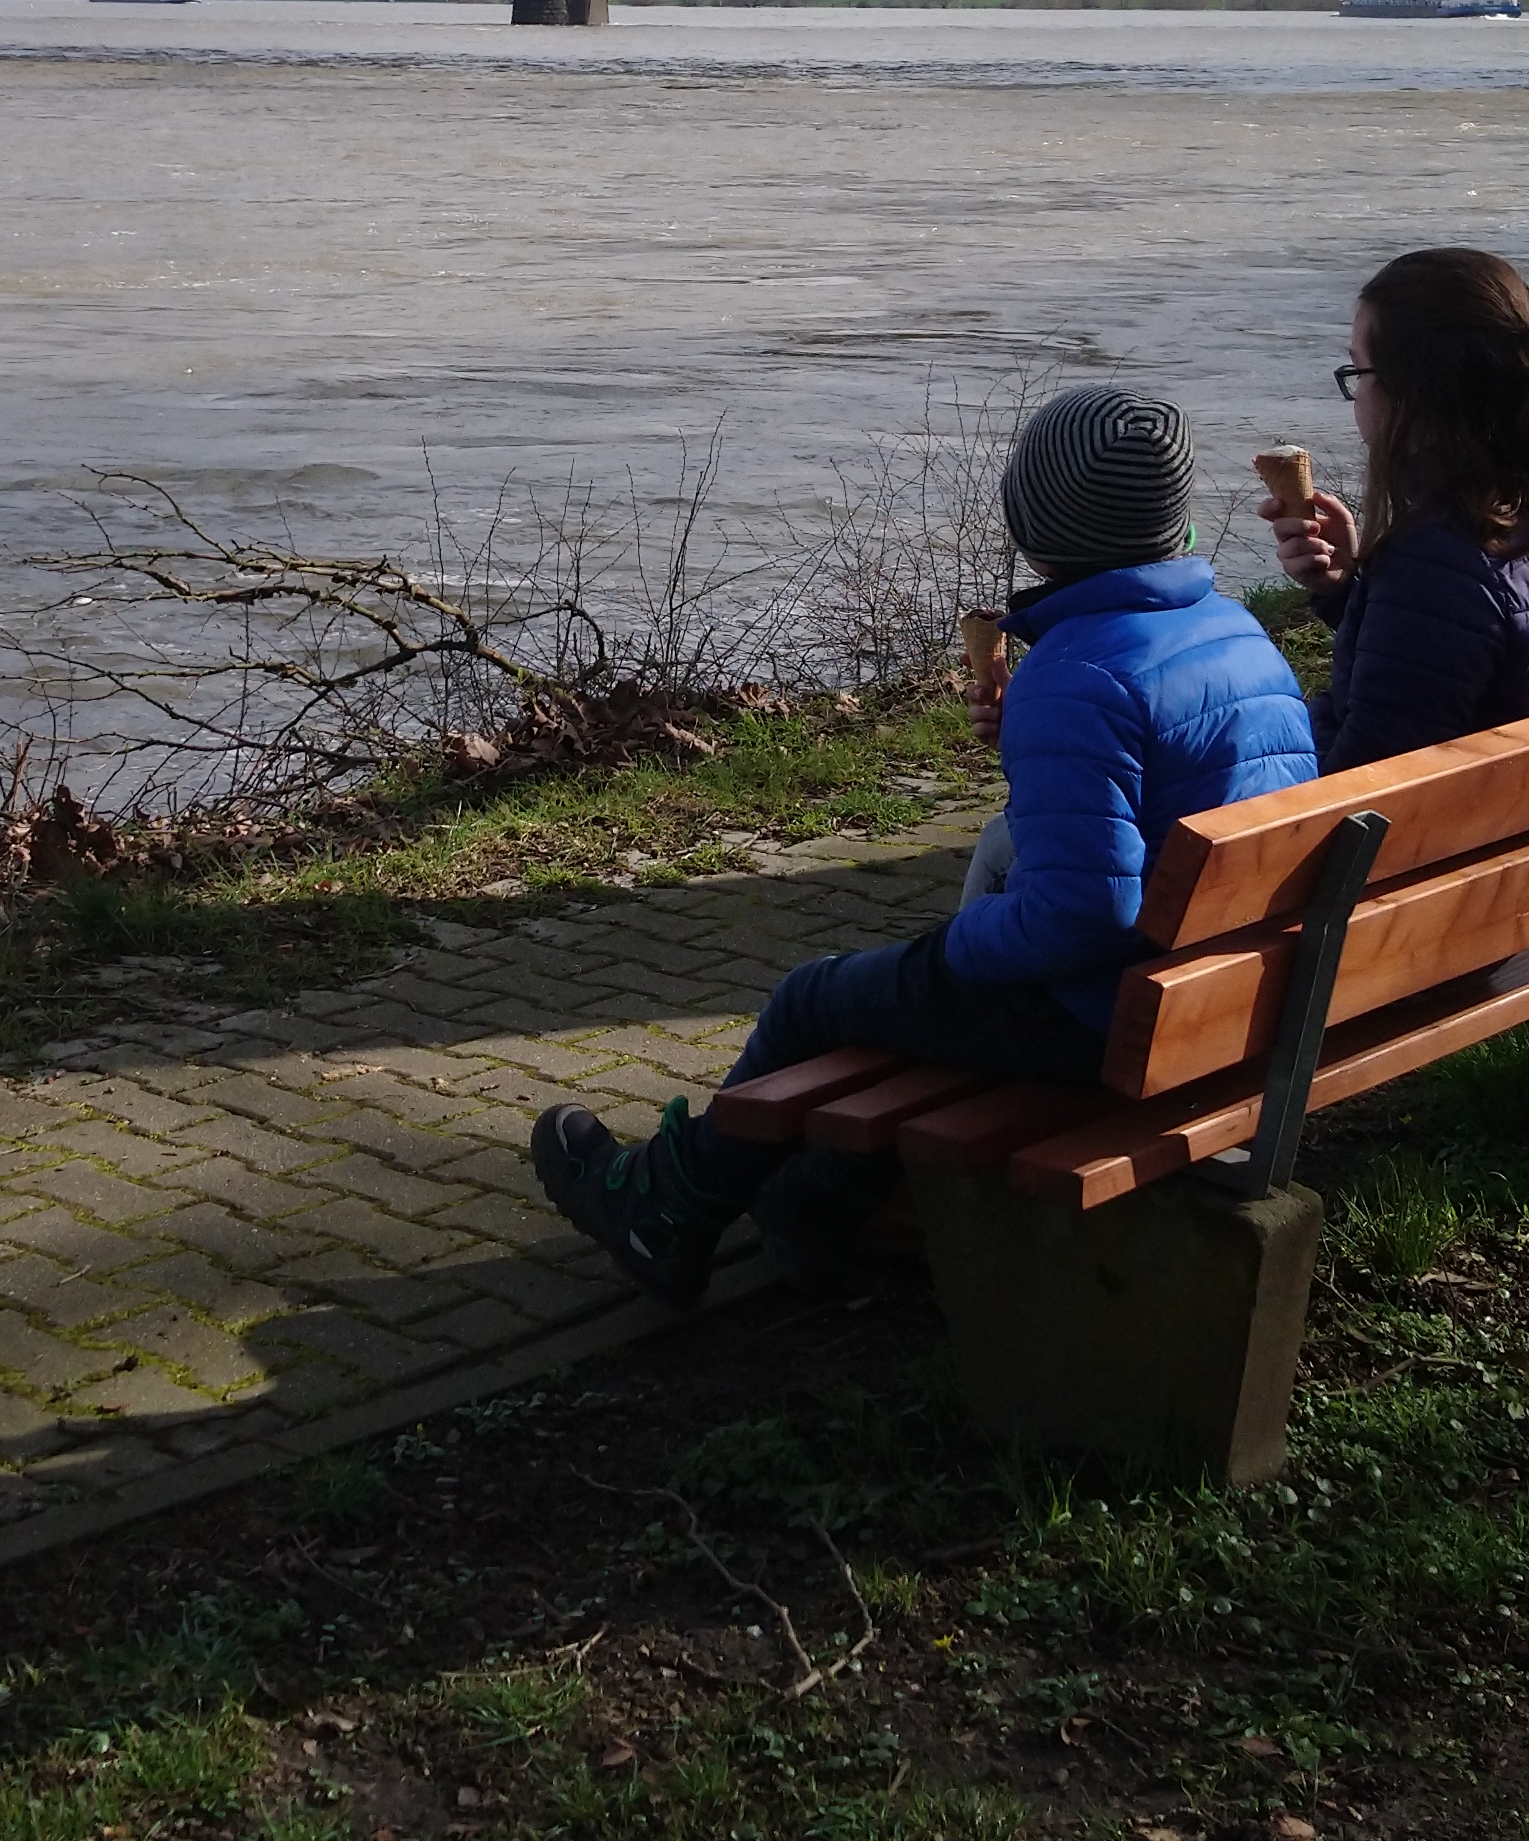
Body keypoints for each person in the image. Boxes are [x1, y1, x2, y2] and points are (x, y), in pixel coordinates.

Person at [530, 382, 1317, 1301]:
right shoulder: (1233, 627)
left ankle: (665, 1206)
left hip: (1109, 1018)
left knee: (815, 998)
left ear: (1034, 523)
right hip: (1229, 997)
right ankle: (814, 1207)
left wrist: (955, 947)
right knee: (898, 1004)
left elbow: (1082, 912)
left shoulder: (1080, 670)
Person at [1261, 246, 1529, 771]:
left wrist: (1279, 728)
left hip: (1456, 847)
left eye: (1359, 372)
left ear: (1415, 392)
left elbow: (1363, 789)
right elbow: (1462, 662)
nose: (1356, 395)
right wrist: (1349, 592)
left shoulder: (1438, 564)